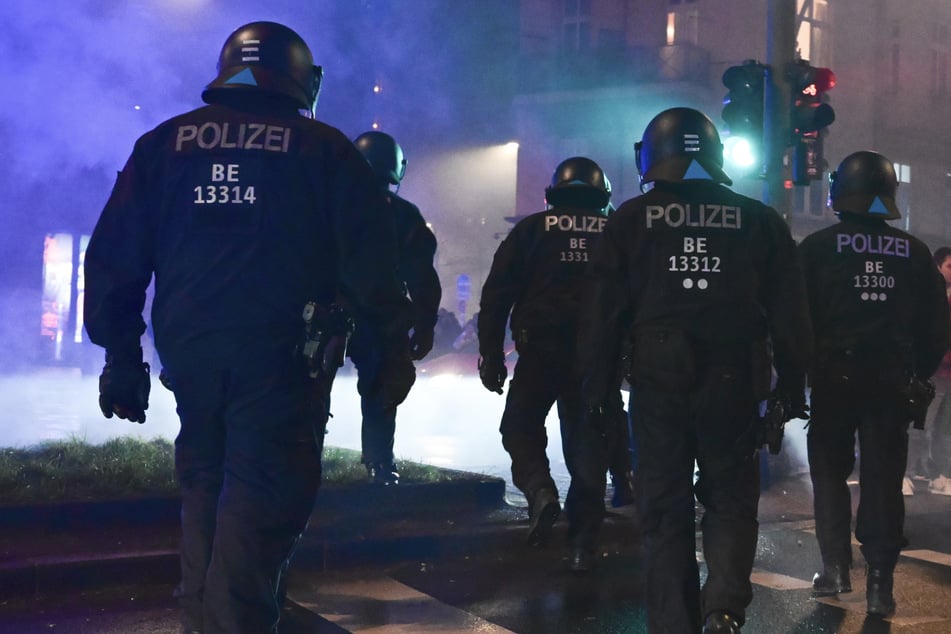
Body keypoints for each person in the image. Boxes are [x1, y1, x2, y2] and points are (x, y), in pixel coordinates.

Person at [83, 21, 415, 634]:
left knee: (205, 505)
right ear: (301, 77)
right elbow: (372, 271)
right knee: (258, 519)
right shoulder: (324, 151)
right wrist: (388, 358)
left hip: (192, 363)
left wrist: (121, 356)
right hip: (282, 370)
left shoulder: (164, 146)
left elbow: (113, 259)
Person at [579, 107, 812, 633]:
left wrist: (597, 392)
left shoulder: (629, 220)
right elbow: (791, 315)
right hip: (734, 377)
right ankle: (724, 607)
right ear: (714, 154)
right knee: (730, 498)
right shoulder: (759, 220)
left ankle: (675, 624)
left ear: (650, 155)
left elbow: (602, 316)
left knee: (664, 507)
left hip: (658, 378)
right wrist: (792, 385)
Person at [798, 150, 949, 617]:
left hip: (833, 379)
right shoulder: (915, 252)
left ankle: (835, 569)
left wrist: (798, 375)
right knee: (883, 479)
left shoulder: (817, 249)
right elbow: (936, 326)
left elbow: (794, 319)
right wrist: (916, 374)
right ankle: (880, 583)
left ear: (838, 193)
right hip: (890, 382)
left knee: (829, 472)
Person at [477, 156, 621, 572]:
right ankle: (581, 547)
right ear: (602, 194)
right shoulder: (617, 232)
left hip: (540, 353)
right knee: (589, 446)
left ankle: (540, 490)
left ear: (553, 193)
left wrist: (491, 354)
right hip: (596, 360)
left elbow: (496, 297)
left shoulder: (530, 230)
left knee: (519, 427)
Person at [348, 130, 442, 485]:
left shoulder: (326, 204)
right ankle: (379, 463)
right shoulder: (404, 215)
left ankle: (302, 456)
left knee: (310, 388)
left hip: (327, 313)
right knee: (383, 390)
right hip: (381, 318)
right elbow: (422, 277)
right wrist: (425, 325)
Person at [905, 245, 951, 496]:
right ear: (937, 266)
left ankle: (939, 474)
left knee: (943, 429)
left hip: (945, 373)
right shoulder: (927, 297)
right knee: (920, 426)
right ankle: (905, 472)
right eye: (950, 267)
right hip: (932, 372)